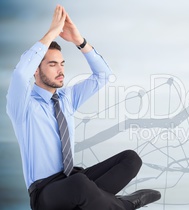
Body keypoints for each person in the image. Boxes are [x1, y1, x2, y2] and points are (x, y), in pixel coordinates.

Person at [6, 5, 160, 210]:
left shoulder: (66, 98)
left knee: (131, 159)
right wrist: (52, 32)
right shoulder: (23, 106)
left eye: (62, 63)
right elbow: (19, 75)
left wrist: (79, 41)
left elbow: (103, 76)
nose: (60, 70)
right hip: (45, 193)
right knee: (80, 185)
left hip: (74, 178)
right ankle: (124, 205)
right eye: (52, 65)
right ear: (36, 69)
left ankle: (93, 203)